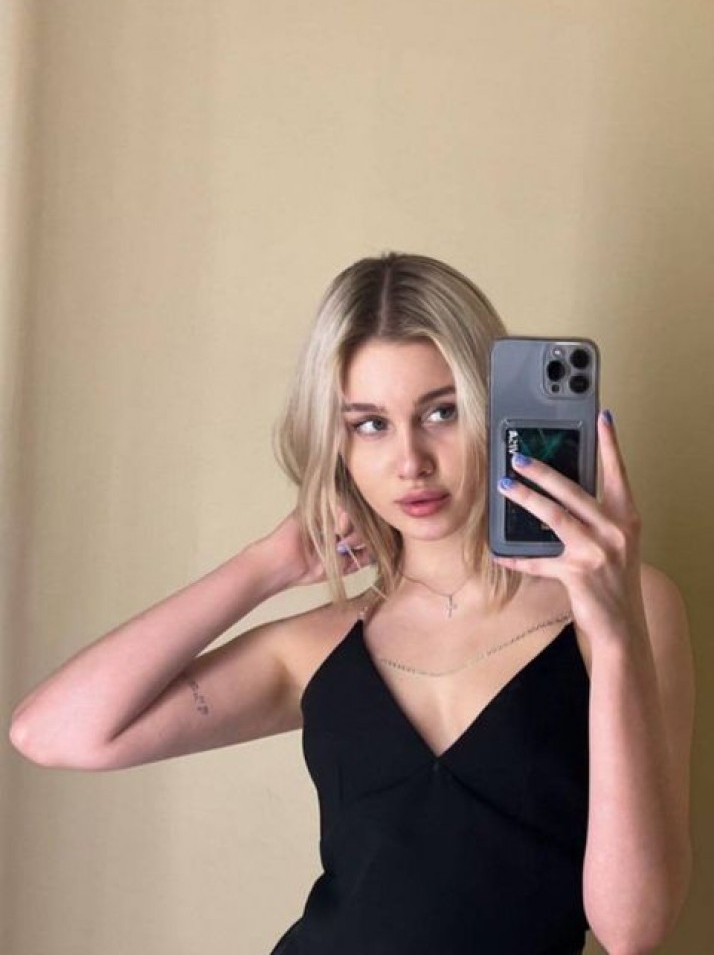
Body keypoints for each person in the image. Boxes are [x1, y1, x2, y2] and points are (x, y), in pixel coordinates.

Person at [10, 253, 694, 954]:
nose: (411, 461)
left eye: (442, 412)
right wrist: (266, 565)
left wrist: (615, 633)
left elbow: (632, 929)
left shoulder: (628, 608)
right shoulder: (315, 647)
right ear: (336, 442)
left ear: (497, 411)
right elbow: (54, 733)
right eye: (370, 424)